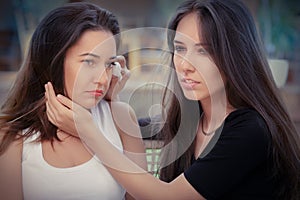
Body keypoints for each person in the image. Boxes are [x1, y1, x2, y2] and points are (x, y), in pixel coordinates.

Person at [45, 0, 300, 199]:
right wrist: (113, 99)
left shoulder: (250, 130)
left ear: (236, 55)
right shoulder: (190, 122)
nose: (185, 65)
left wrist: (89, 132)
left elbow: (166, 197)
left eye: (204, 50)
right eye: (180, 48)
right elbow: (133, 130)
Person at [0, 2, 146, 200]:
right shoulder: (12, 135)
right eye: (89, 62)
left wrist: (101, 121)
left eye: (109, 64)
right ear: (53, 61)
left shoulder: (120, 116)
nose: (102, 79)